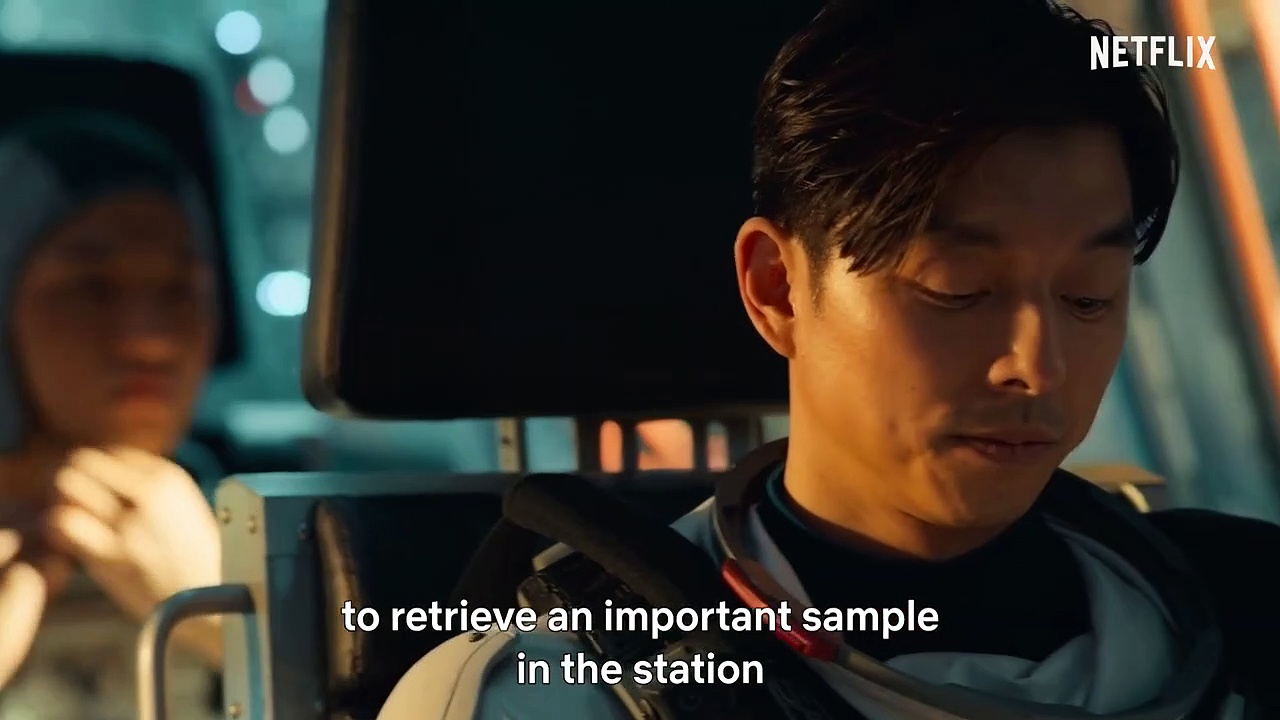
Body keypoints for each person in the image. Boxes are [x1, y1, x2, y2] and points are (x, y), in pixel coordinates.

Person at [379, 1, 1280, 717]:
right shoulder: (549, 696)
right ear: (777, 288)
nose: (1036, 367)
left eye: (1089, 296)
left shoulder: (1241, 628)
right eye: (957, 289)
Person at [0, 111, 224, 717]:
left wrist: (231, 626)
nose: (151, 340)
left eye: (181, 289)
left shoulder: (277, 536)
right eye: (91, 286)